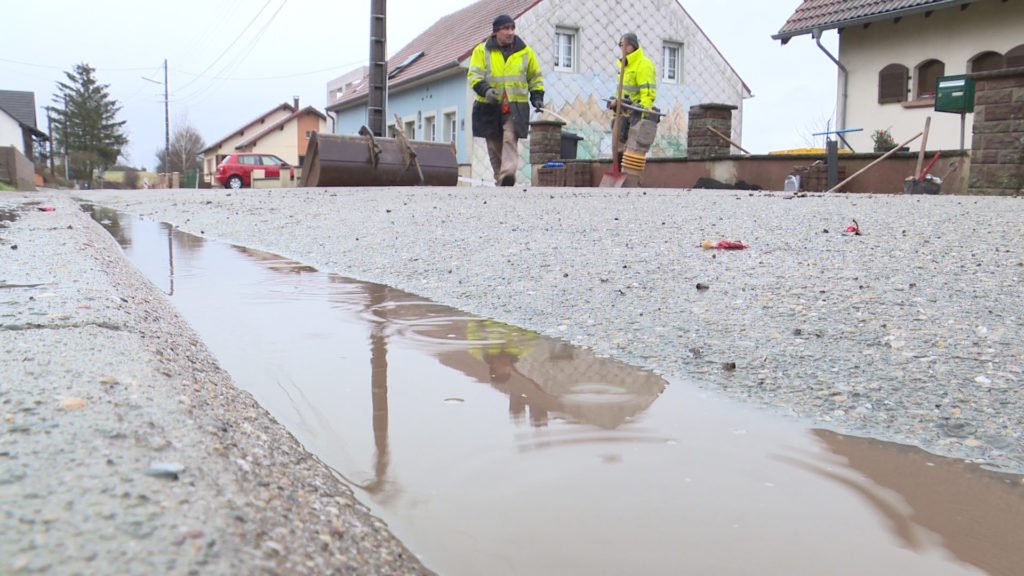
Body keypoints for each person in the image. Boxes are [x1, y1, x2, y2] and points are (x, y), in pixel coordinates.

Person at [467, 14, 545, 187]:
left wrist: (537, 96)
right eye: (506, 28)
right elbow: (474, 75)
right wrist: (486, 91)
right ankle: (501, 178)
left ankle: (508, 173)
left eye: (512, 28)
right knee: (494, 145)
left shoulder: (525, 51)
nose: (510, 32)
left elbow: (535, 76)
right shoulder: (481, 51)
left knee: (510, 138)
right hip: (489, 106)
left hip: (515, 106)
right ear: (496, 32)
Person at [607, 32, 659, 183]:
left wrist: (643, 115)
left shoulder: (643, 64)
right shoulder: (625, 65)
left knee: (633, 154)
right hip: (623, 113)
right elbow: (622, 91)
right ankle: (618, 179)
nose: (621, 49)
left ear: (631, 46)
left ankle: (631, 184)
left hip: (637, 114)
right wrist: (616, 101)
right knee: (617, 149)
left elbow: (648, 92)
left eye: (623, 46)